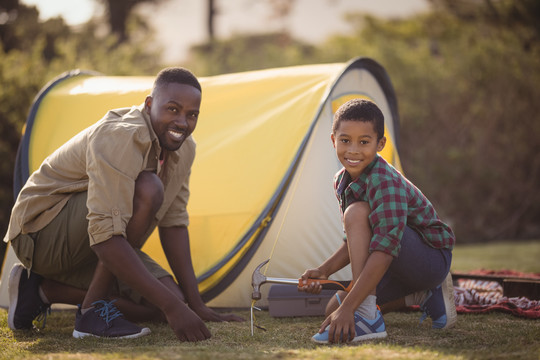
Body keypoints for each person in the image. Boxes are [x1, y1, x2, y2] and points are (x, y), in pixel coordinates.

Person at [5, 67, 243, 341]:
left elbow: (174, 223)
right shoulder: (121, 135)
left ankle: (40, 291)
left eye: (192, 115)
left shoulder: (184, 149)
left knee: (161, 303)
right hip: (40, 234)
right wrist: (174, 307)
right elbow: (106, 234)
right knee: (148, 188)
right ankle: (91, 312)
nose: (182, 122)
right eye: (173, 109)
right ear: (150, 104)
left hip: (92, 241)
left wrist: (194, 305)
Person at [298, 99, 456, 344]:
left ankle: (368, 317)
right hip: (395, 260)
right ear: (333, 140)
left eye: (364, 142)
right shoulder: (342, 180)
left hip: (430, 258)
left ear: (380, 144)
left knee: (356, 214)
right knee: (333, 309)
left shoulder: (384, 181)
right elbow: (356, 239)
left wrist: (353, 307)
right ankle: (421, 295)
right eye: (345, 140)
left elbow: (384, 248)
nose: (353, 150)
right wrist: (324, 271)